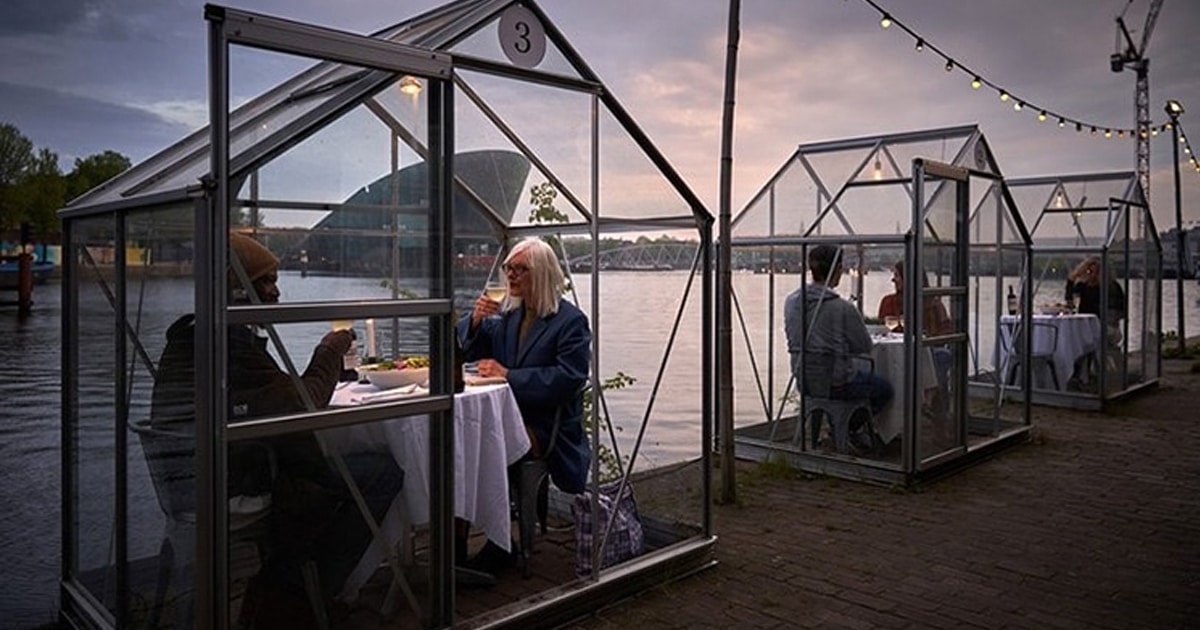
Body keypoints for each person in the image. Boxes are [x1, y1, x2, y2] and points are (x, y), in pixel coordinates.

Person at [151, 232, 403, 628]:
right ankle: (301, 593)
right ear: (234, 287)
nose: (276, 292)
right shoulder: (228, 344)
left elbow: (279, 403)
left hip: (194, 483)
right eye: (264, 282)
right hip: (234, 487)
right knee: (381, 473)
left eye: (274, 281)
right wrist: (330, 351)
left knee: (329, 473)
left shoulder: (192, 337)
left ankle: (296, 584)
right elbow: (301, 406)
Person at [456, 237, 591, 573]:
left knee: (484, 450)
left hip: (547, 427)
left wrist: (510, 375)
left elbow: (569, 378)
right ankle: (456, 547)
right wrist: (473, 321)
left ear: (542, 273)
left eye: (521, 270)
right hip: (506, 417)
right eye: (509, 268)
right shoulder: (509, 316)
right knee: (460, 447)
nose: (511, 276)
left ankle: (500, 545)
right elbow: (469, 347)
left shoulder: (569, 321)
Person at [784, 244, 893, 451]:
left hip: (804, 379)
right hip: (838, 383)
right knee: (884, 389)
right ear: (836, 270)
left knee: (853, 375)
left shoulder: (792, 302)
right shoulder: (843, 308)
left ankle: (833, 432)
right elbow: (864, 346)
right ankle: (846, 430)